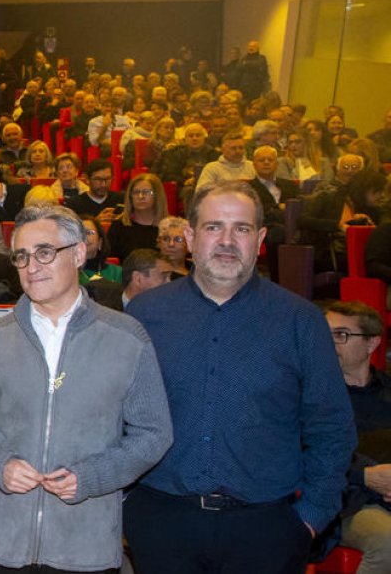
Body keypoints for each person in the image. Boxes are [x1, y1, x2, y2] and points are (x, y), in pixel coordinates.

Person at [125, 181, 356, 574]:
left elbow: (332, 426)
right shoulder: (146, 315)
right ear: (190, 237)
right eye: (214, 227)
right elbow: (114, 415)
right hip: (160, 522)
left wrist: (312, 516)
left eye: (242, 229)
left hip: (267, 530)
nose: (228, 240)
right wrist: (127, 504)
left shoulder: (300, 321)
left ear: (261, 238)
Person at [0, 203, 172, 573]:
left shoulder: (127, 338)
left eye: (44, 252)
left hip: (84, 545)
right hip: (1, 543)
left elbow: (153, 434)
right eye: (21, 257)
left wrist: (92, 477)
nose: (32, 266)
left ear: (80, 253)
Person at [323, 300, 391, 574]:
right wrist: (366, 474)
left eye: (341, 335)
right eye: (324, 333)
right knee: (388, 542)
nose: (329, 343)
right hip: (344, 502)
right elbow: (302, 449)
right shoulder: (310, 393)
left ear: (372, 343)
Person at [106, 173, 167, 263]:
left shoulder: (168, 228)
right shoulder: (118, 227)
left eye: (146, 192)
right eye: (136, 192)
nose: (140, 196)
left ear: (157, 195)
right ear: (130, 197)